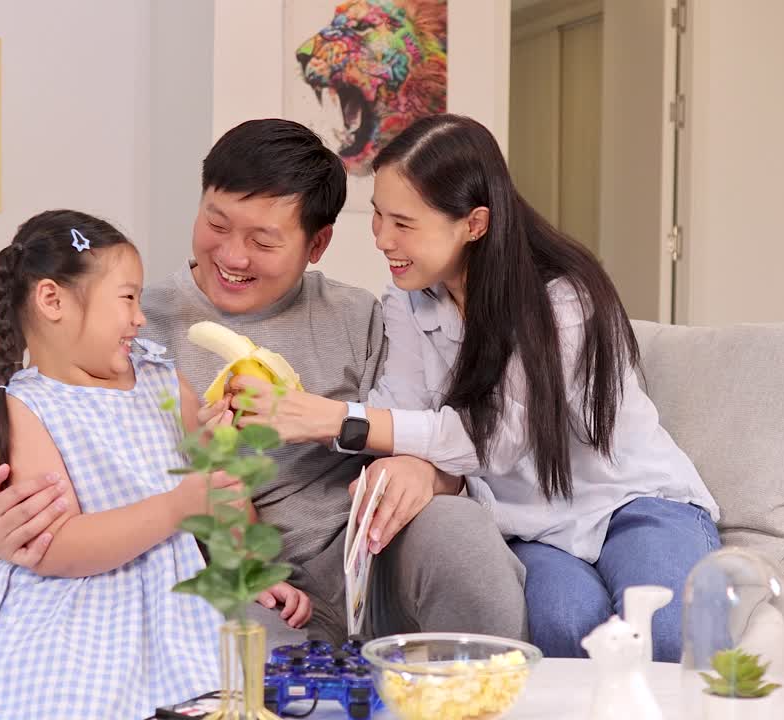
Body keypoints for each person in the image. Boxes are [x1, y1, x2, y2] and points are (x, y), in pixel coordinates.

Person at [0, 119, 528, 645]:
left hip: (366, 556)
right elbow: (58, 436)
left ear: (317, 244)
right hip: (229, 576)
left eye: (263, 242)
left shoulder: (362, 317)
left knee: (456, 529)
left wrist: (425, 471)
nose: (232, 255)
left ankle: (489, 694)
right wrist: (0, 528)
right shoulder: (127, 324)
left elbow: (440, 431)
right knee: (233, 646)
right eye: (216, 224)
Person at [229, 114, 721, 660]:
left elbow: (498, 440)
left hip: (630, 501)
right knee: (563, 630)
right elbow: (401, 412)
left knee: (672, 635)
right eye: (376, 216)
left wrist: (331, 418)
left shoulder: (563, 303)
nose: (382, 239)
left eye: (404, 223)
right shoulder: (410, 302)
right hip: (529, 527)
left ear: (474, 223)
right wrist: (404, 459)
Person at [0, 210, 249, 719]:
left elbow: (218, 497)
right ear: (52, 300)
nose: (140, 317)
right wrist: (179, 505)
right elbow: (55, 547)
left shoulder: (161, 381)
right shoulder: (27, 408)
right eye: (127, 298)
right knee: (73, 698)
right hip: (80, 606)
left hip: (174, 605)